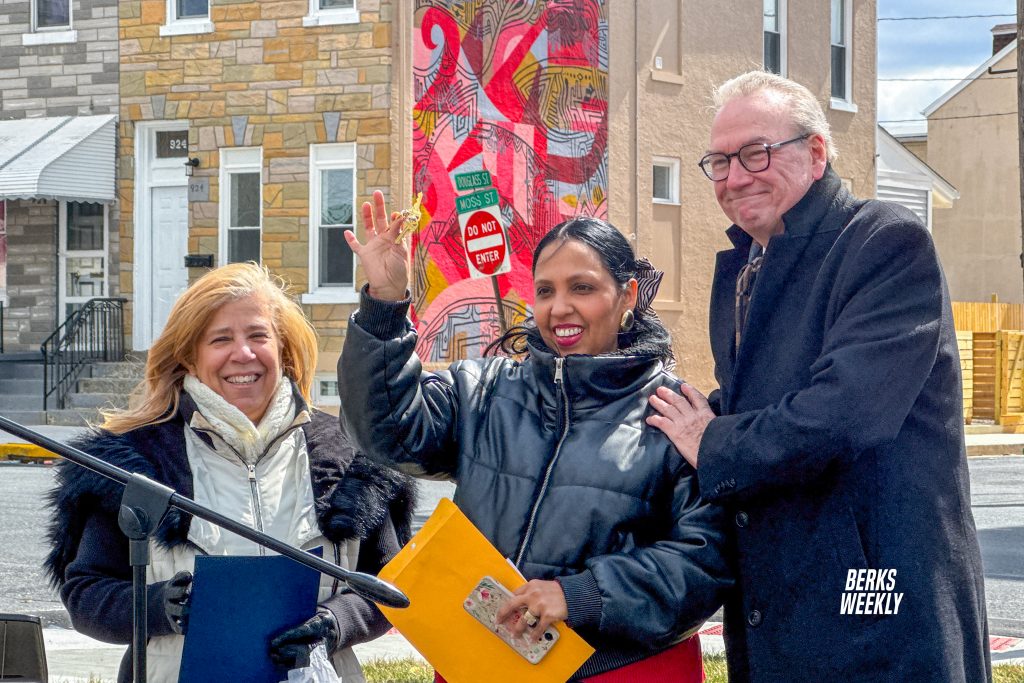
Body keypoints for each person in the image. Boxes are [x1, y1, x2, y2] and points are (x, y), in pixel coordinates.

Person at [646, 70, 990, 682]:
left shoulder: (884, 242)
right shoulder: (750, 265)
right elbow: (759, 398)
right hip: (783, 600)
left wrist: (711, 440)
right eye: (719, 162)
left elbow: (844, 412)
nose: (735, 177)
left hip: (875, 596)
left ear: (815, 152)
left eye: (756, 152)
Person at [338, 195, 731, 682]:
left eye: (582, 287)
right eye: (545, 290)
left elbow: (704, 562)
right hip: (479, 662)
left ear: (628, 295)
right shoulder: (483, 390)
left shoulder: (676, 415)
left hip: (620, 669)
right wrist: (384, 305)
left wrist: (581, 595)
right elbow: (385, 431)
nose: (559, 308)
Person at [45, 263, 415, 683]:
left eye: (258, 336)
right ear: (189, 356)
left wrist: (335, 623)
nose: (243, 353)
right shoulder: (135, 461)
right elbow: (86, 594)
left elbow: (392, 586)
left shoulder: (349, 456)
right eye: (220, 339)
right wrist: (158, 606)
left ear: (282, 348)